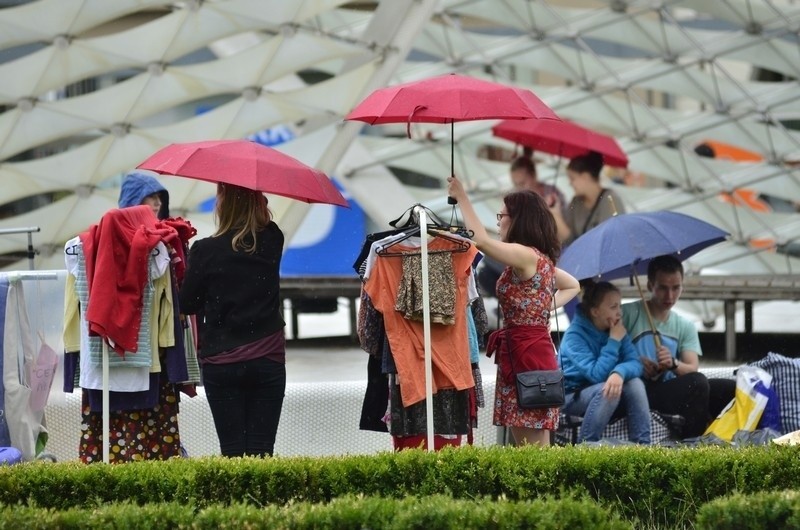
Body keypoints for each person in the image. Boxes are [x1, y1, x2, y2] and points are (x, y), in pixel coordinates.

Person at [447, 175, 580, 446]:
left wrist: (462, 196)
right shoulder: (539, 259)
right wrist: (540, 309)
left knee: (529, 448)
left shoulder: (524, 254)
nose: (498, 221)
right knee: (536, 443)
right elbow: (573, 285)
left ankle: (541, 489)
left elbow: (481, 241)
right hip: (532, 350)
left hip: (524, 355)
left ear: (518, 219)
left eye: (502, 215)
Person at [179, 183, 286, 457]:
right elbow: (264, 222)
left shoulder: (205, 251)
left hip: (221, 362)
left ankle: (235, 502)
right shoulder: (272, 240)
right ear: (258, 203)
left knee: (232, 453)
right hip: (267, 360)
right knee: (262, 452)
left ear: (223, 205)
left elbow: (187, 303)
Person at [621, 255, 736, 439]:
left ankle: (722, 437)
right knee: (698, 383)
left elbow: (691, 367)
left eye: (676, 288)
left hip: (668, 388)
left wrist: (673, 363)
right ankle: (692, 444)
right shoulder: (627, 314)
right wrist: (635, 363)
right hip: (637, 390)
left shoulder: (685, 325)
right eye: (663, 288)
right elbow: (608, 352)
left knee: (730, 388)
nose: (670, 296)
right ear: (651, 286)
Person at [560, 281, 650, 444]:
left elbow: (636, 363)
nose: (619, 313)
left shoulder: (615, 328)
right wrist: (614, 341)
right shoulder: (574, 336)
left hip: (601, 394)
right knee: (606, 389)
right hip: (571, 397)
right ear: (595, 311)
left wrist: (619, 373)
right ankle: (587, 444)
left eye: (619, 306)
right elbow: (597, 375)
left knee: (635, 382)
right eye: (613, 307)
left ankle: (643, 445)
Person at [476, 155, 568, 297]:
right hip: (525, 255)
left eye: (523, 183)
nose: (519, 188)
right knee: (487, 272)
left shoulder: (550, 196)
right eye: (516, 184)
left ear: (534, 176)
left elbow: (562, 235)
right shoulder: (519, 200)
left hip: (541, 255)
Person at [562, 151, 625, 246]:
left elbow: (613, 240)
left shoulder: (610, 200)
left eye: (572, 178)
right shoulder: (576, 203)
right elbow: (570, 241)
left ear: (585, 177)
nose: (570, 184)